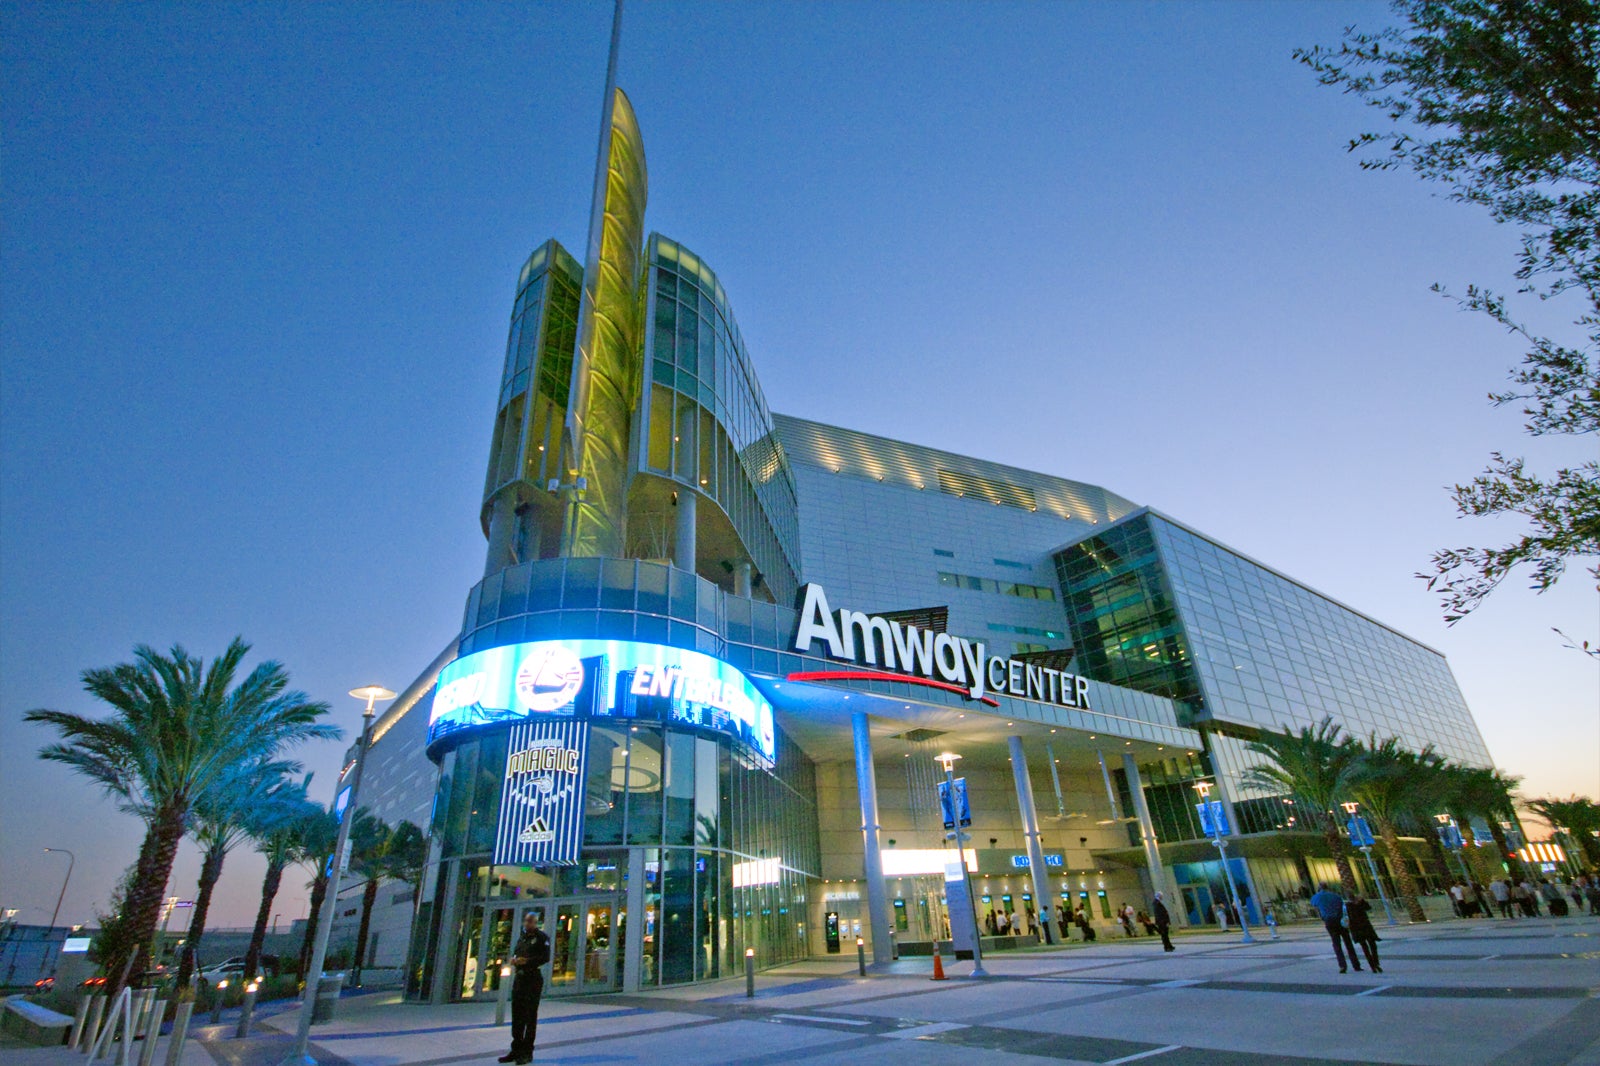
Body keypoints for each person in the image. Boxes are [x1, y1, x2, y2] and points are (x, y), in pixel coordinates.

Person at [499, 911, 551, 1065]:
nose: (528, 924)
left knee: (530, 1016)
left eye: (531, 921)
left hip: (532, 979)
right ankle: (516, 1049)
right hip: (519, 979)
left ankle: (527, 1052)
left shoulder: (542, 938)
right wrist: (514, 960)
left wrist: (526, 961)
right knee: (517, 1014)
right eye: (526, 921)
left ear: (536, 923)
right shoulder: (522, 937)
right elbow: (516, 952)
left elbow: (545, 957)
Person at [1309, 882, 1361, 973]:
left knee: (1336, 943)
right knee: (1348, 942)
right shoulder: (1336, 896)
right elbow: (1342, 907)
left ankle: (1342, 965)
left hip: (1329, 921)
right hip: (1340, 920)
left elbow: (1314, 905)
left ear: (1319, 888)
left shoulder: (1317, 897)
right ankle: (1356, 964)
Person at [1344, 893, 1382, 973]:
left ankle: (1372, 965)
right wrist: (1362, 900)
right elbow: (1368, 908)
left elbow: (1346, 917)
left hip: (1357, 929)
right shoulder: (1360, 903)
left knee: (1365, 947)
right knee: (1372, 945)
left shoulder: (1347, 906)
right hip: (1366, 926)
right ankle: (1376, 963)